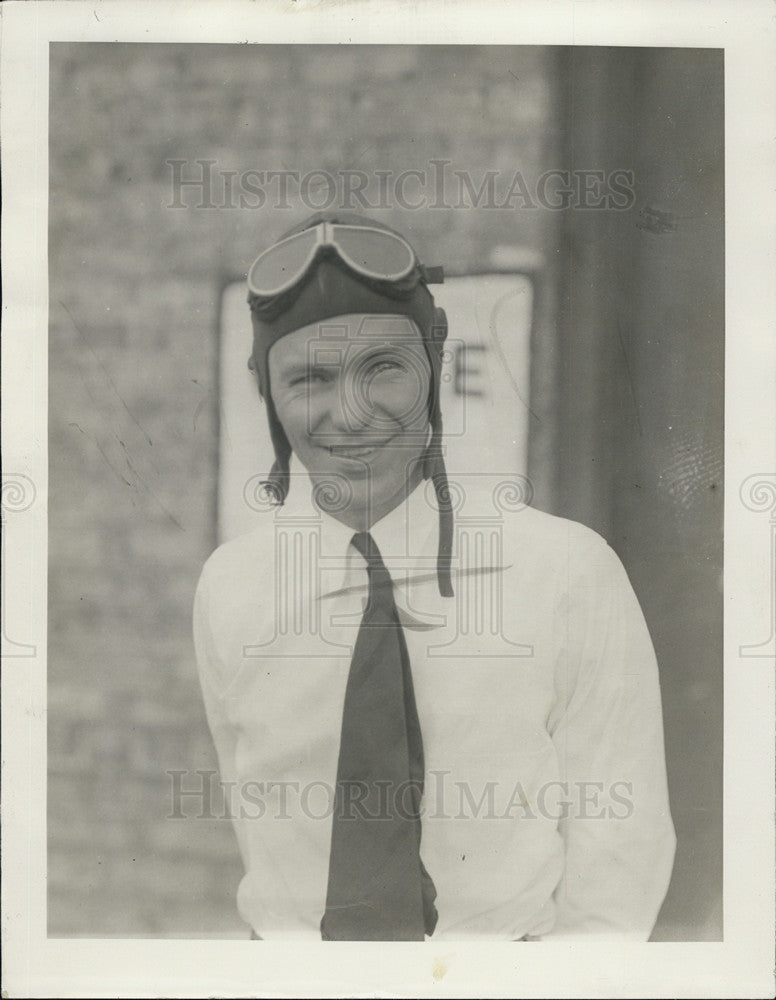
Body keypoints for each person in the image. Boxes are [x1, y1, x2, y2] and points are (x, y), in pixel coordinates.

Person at [193, 210, 676, 941]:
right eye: (310, 378)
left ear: (434, 373)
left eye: (383, 368)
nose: (350, 413)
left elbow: (619, 866)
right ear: (269, 396)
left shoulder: (567, 572)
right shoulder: (230, 588)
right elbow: (254, 818)